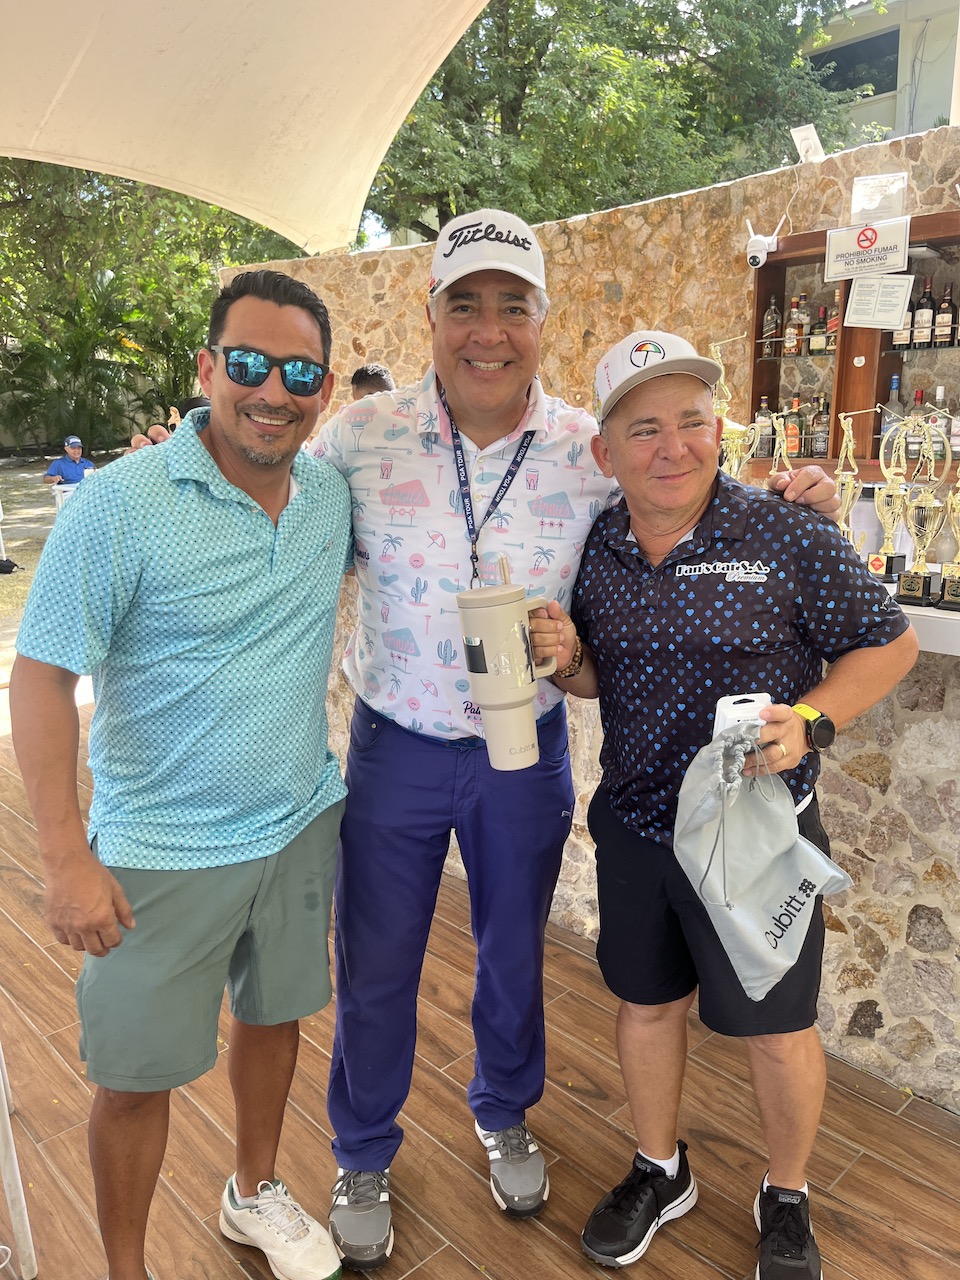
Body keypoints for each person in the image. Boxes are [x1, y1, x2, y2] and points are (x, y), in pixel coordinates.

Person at [311, 208, 841, 1270]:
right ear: (431, 313)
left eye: (513, 306)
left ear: (543, 321)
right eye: (466, 304)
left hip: (526, 748)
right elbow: (281, 530)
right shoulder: (358, 438)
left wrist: (801, 499)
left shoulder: (588, 446)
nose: (489, 331)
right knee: (375, 960)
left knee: (515, 952)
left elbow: (689, 487)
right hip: (396, 741)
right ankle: (362, 1150)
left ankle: (504, 1112)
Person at [530, 330, 919, 1278]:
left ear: (720, 430)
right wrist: (569, 662)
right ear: (606, 451)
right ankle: (660, 1170)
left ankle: (787, 1194)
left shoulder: (786, 532)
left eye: (694, 422)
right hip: (637, 826)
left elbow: (889, 643)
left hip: (756, 834)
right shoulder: (598, 545)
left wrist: (813, 722)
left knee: (778, 1030)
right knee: (646, 1007)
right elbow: (598, 677)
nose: (674, 447)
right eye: (646, 429)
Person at [11, 269, 351, 1280]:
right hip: (159, 849)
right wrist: (66, 858)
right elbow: (40, 677)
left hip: (298, 819)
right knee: (132, 1077)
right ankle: (127, 1268)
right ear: (207, 369)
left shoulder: (329, 498)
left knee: (275, 1015)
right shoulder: (120, 505)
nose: (273, 391)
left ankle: (253, 1190)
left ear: (325, 389)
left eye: (300, 373)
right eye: (248, 363)